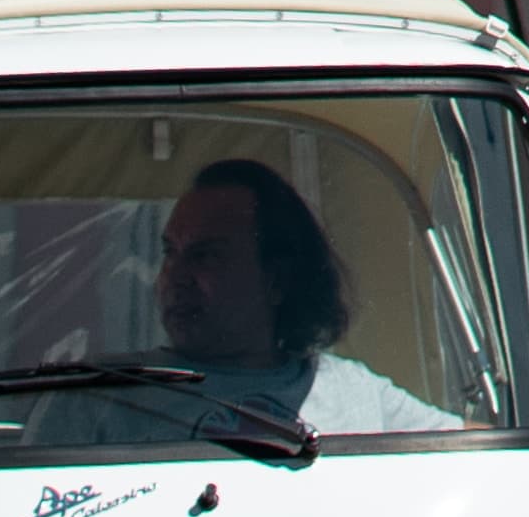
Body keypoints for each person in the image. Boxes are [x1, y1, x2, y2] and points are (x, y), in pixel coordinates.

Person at [156, 159, 438, 435]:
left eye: (206, 256)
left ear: (277, 279)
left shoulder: (351, 390)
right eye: (170, 252)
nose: (175, 277)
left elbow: (470, 451)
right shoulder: (120, 393)